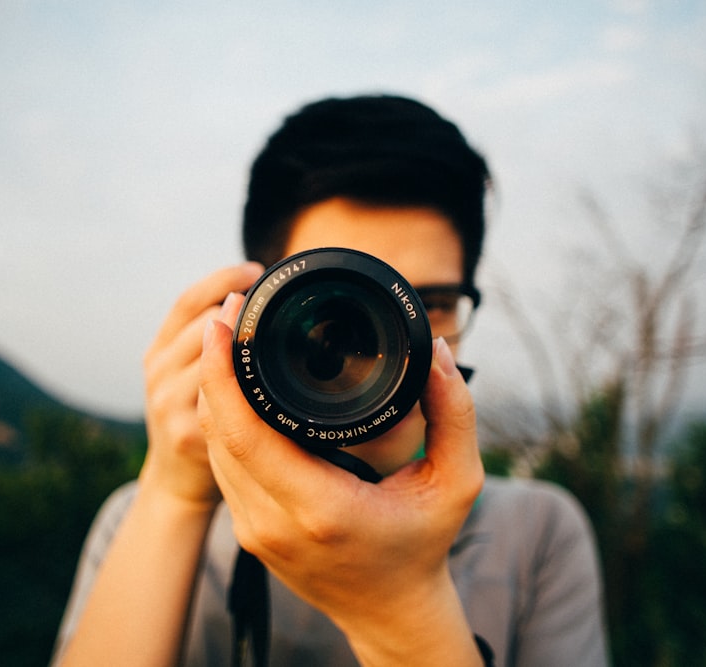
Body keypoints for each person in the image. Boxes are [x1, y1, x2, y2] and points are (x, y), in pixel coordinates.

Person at [51, 94, 608, 666]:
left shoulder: (537, 534)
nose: (388, 348)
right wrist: (175, 492)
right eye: (341, 307)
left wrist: (404, 607)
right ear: (254, 309)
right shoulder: (141, 517)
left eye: (432, 304)